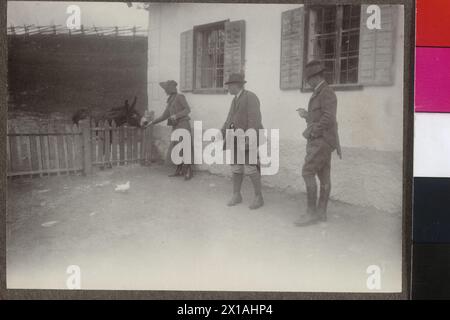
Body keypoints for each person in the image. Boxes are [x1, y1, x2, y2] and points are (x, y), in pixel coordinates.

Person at [295, 60, 341, 226]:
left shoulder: (325, 92)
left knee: (307, 172)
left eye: (308, 79)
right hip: (323, 140)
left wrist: (314, 131)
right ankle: (321, 212)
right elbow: (320, 116)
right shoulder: (319, 92)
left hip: (321, 140)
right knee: (323, 176)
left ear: (315, 77)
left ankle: (311, 213)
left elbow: (329, 118)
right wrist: (307, 115)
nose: (307, 83)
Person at [221, 73, 264, 210]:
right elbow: (229, 119)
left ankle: (259, 197)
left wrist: (249, 139)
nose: (227, 88)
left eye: (229, 85)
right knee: (236, 167)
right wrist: (222, 132)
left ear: (235, 85)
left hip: (247, 138)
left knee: (251, 167)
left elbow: (255, 119)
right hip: (234, 137)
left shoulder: (250, 97)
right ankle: (236, 194)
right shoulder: (234, 100)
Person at [142, 80, 193, 180]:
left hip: (183, 124)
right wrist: (152, 123)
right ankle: (179, 170)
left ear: (171, 88)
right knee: (177, 148)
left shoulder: (180, 97)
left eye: (166, 89)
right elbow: (164, 116)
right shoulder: (170, 101)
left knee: (185, 147)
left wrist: (176, 115)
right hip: (176, 126)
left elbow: (187, 110)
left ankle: (188, 171)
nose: (165, 91)